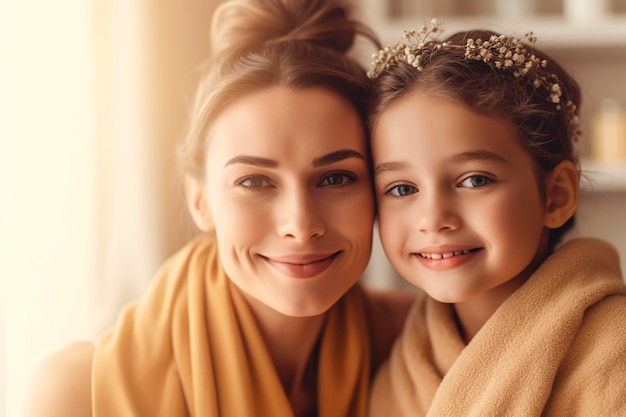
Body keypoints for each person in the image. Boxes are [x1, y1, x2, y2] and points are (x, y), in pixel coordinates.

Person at [22, 1, 415, 416]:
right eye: (254, 181)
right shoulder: (78, 392)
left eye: (336, 178)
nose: (300, 225)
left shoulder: (413, 342)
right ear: (201, 201)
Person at [366, 20, 626, 416]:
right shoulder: (398, 362)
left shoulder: (615, 350)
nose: (433, 218)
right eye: (402, 189)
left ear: (556, 195)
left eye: (474, 180)